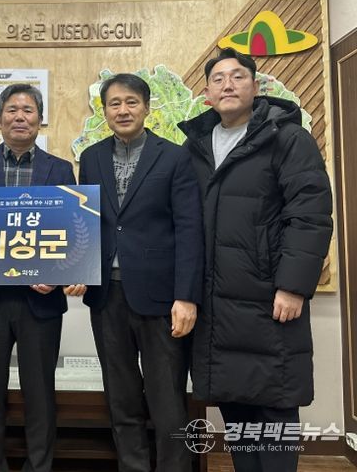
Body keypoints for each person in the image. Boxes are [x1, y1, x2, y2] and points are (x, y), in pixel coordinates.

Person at [178, 48, 333, 471]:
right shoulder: (195, 146)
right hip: (216, 304)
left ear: (255, 86)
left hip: (268, 299)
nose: (227, 84)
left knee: (274, 405)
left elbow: (310, 213)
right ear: (207, 93)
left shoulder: (287, 137)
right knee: (236, 409)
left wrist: (293, 285)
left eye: (237, 76)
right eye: (218, 79)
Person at [78, 73, 203, 472]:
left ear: (147, 108)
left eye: (131, 102)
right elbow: (86, 223)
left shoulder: (175, 157)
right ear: (104, 111)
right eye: (114, 103)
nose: (123, 110)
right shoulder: (91, 158)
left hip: (162, 297)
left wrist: (186, 296)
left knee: (168, 401)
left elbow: (189, 229)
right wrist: (74, 268)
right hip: (106, 296)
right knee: (121, 398)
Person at [0, 83, 84, 472]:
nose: (19, 117)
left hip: (39, 300)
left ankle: (39, 466)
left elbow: (68, 230)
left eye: (28, 110)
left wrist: (59, 275)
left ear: (40, 120)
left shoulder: (59, 169)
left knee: (40, 392)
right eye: (11, 110)